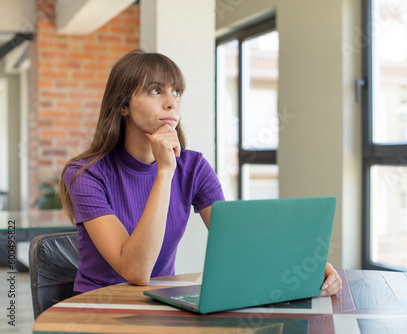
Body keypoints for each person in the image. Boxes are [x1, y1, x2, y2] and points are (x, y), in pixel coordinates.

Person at [60, 49, 342, 296]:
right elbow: (135, 271)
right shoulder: (85, 174)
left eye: (177, 92)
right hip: (98, 308)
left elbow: (240, 242)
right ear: (123, 105)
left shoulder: (193, 167)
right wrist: (164, 173)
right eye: (156, 90)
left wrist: (307, 267)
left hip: (158, 304)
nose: (171, 103)